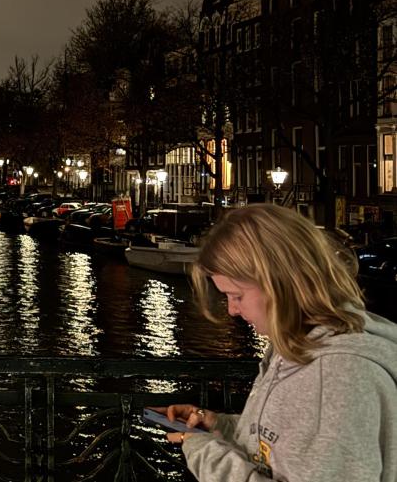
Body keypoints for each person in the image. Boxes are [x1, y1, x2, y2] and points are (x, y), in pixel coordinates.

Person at [158, 204, 397, 482]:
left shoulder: (338, 374)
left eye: (236, 296)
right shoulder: (300, 345)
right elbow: (290, 441)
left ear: (281, 284)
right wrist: (219, 425)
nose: (232, 310)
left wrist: (205, 453)